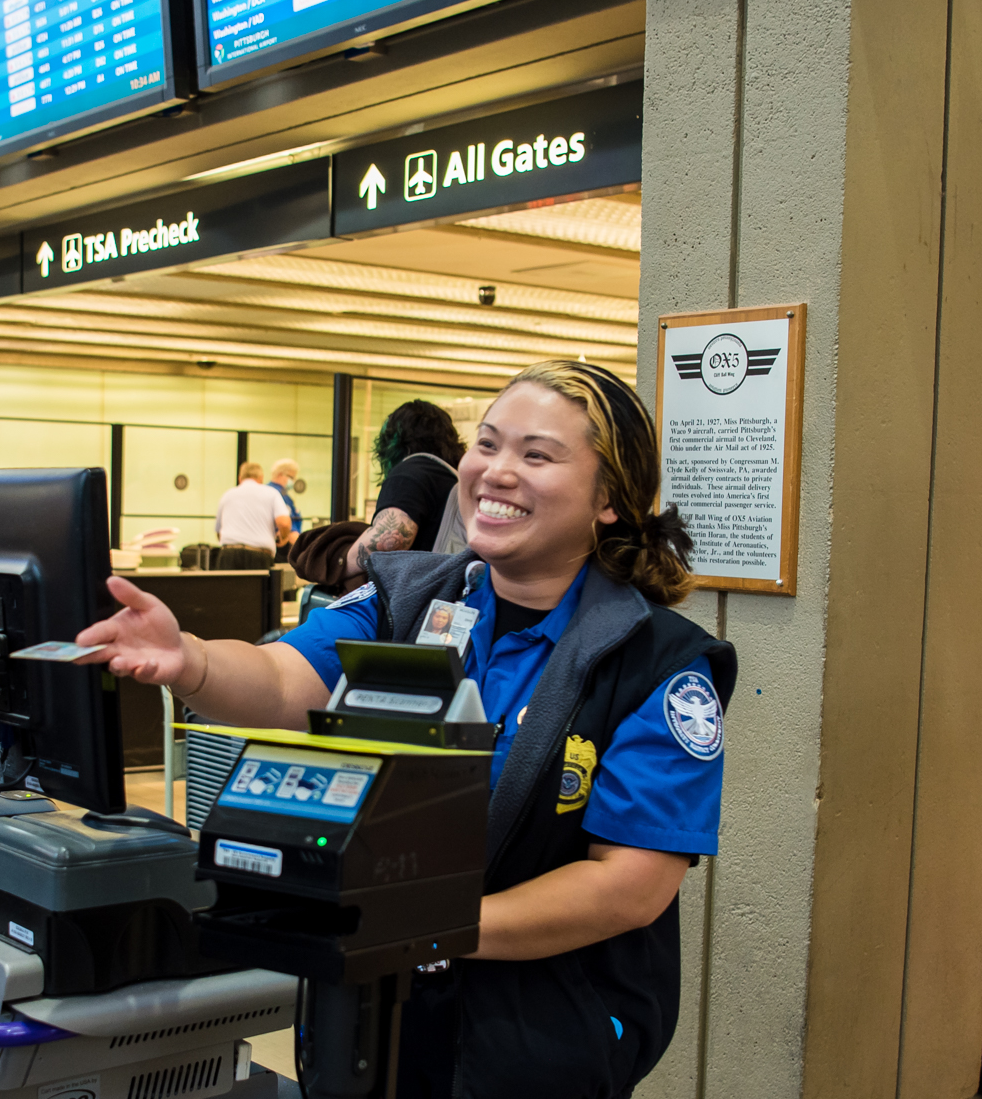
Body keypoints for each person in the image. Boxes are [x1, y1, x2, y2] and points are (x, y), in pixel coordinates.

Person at [77, 361, 735, 1096]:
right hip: (370, 1020)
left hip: (535, 1042)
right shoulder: (409, 600)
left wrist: (427, 929)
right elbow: (285, 680)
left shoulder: (657, 662)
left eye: (536, 454)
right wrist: (190, 659)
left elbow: (630, 884)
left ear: (608, 498)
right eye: (487, 444)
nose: (497, 472)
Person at [356, 399, 466, 555]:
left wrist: (340, 562)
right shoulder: (454, 478)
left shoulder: (408, 474)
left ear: (394, 441)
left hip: (423, 579)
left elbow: (387, 541)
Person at [213, 460, 290, 569]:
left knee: (228, 586)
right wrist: (283, 538)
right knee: (257, 586)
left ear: (240, 478)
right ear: (261, 478)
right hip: (258, 556)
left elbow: (218, 532)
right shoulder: (271, 493)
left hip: (228, 555)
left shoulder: (227, 495)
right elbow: (284, 523)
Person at [267, 458, 302, 561]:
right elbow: (284, 524)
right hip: (281, 547)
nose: (293, 481)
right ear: (280, 474)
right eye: (291, 477)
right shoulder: (274, 493)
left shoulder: (284, 495)